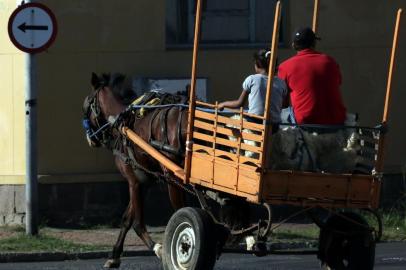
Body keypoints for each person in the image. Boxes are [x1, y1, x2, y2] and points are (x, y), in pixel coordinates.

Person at [278, 27, 346, 125]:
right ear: (314, 43)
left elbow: (283, 102)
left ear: (293, 45)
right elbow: (337, 83)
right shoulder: (330, 61)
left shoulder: (285, 67)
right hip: (337, 120)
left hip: (306, 121)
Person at [218, 49, 287, 130]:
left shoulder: (252, 79)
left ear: (257, 65)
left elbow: (239, 104)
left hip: (254, 123)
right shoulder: (281, 83)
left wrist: (223, 104)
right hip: (274, 126)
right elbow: (285, 105)